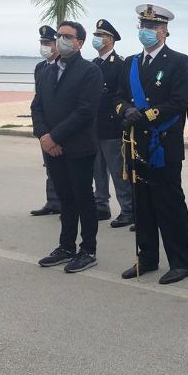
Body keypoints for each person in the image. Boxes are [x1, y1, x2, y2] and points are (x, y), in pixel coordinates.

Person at [116, 4, 188, 285]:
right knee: (143, 205)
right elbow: (117, 95)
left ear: (164, 31)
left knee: (169, 204)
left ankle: (181, 262)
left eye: (151, 27)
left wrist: (145, 116)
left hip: (162, 144)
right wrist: (126, 110)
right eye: (142, 26)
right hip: (136, 142)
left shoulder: (178, 61)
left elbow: (177, 102)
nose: (145, 31)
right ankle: (147, 258)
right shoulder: (131, 63)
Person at [32, 21, 103, 272]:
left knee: (83, 197)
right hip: (51, 147)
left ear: (80, 43)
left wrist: (56, 137)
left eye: (67, 36)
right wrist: (44, 136)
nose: (61, 39)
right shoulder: (47, 71)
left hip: (78, 147)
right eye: (59, 35)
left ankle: (88, 249)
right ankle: (66, 246)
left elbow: (85, 111)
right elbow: (37, 106)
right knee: (65, 198)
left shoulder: (90, 71)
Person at [91, 19, 134, 229]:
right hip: (94, 126)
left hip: (112, 125)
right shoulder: (94, 63)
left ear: (110, 40)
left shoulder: (120, 64)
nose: (97, 39)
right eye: (96, 35)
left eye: (100, 36)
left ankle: (128, 209)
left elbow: (122, 94)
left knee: (118, 170)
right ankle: (101, 204)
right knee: (97, 169)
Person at [30, 25, 61, 217]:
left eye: (47, 42)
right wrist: (40, 130)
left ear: (57, 44)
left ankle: (67, 202)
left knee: (64, 169)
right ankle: (53, 201)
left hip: (61, 127)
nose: (44, 46)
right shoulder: (40, 67)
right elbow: (38, 100)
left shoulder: (65, 66)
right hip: (44, 126)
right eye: (42, 43)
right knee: (50, 167)